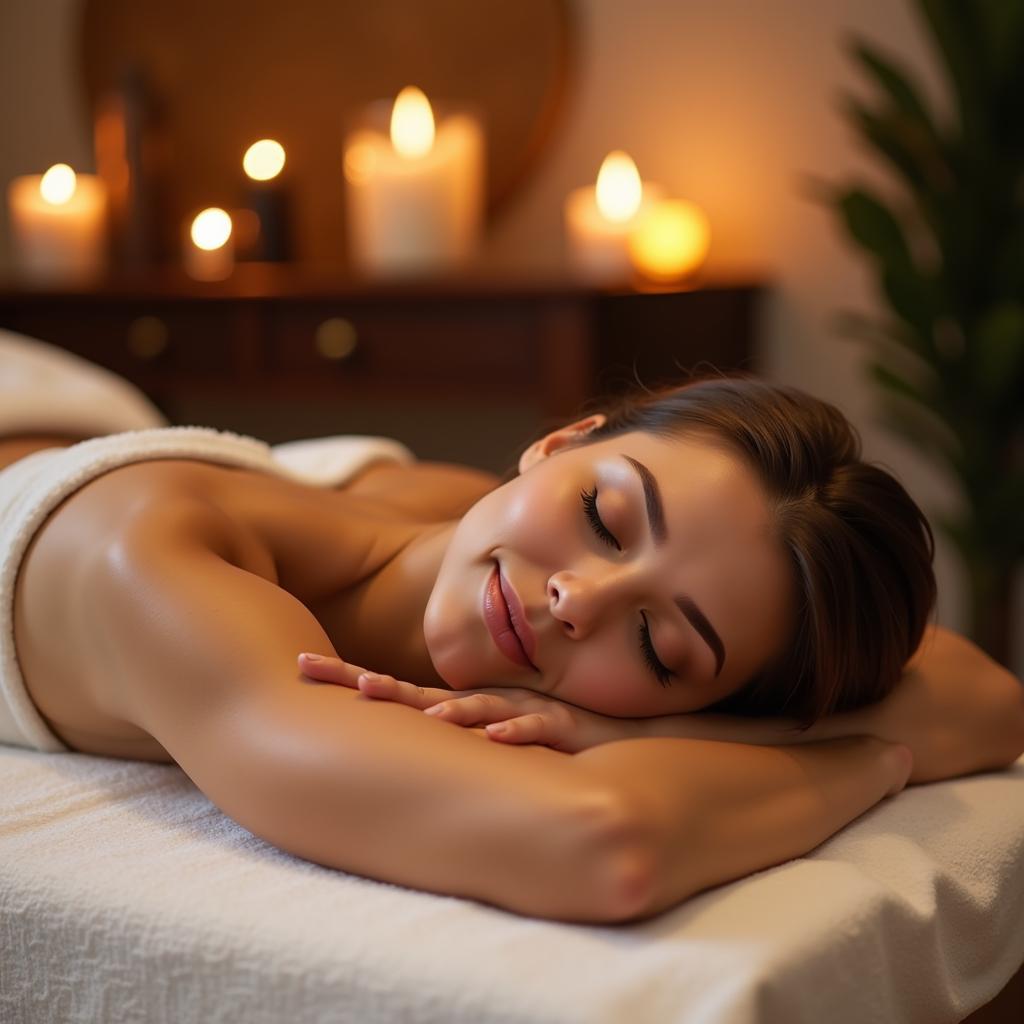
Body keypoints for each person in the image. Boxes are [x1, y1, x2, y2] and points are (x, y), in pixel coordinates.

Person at [3, 369, 1022, 925]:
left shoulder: (461, 520)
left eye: (662, 647)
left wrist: (630, 727)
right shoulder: (150, 567)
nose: (578, 595)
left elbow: (984, 698)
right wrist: (858, 762)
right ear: (561, 440)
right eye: (606, 515)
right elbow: (605, 846)